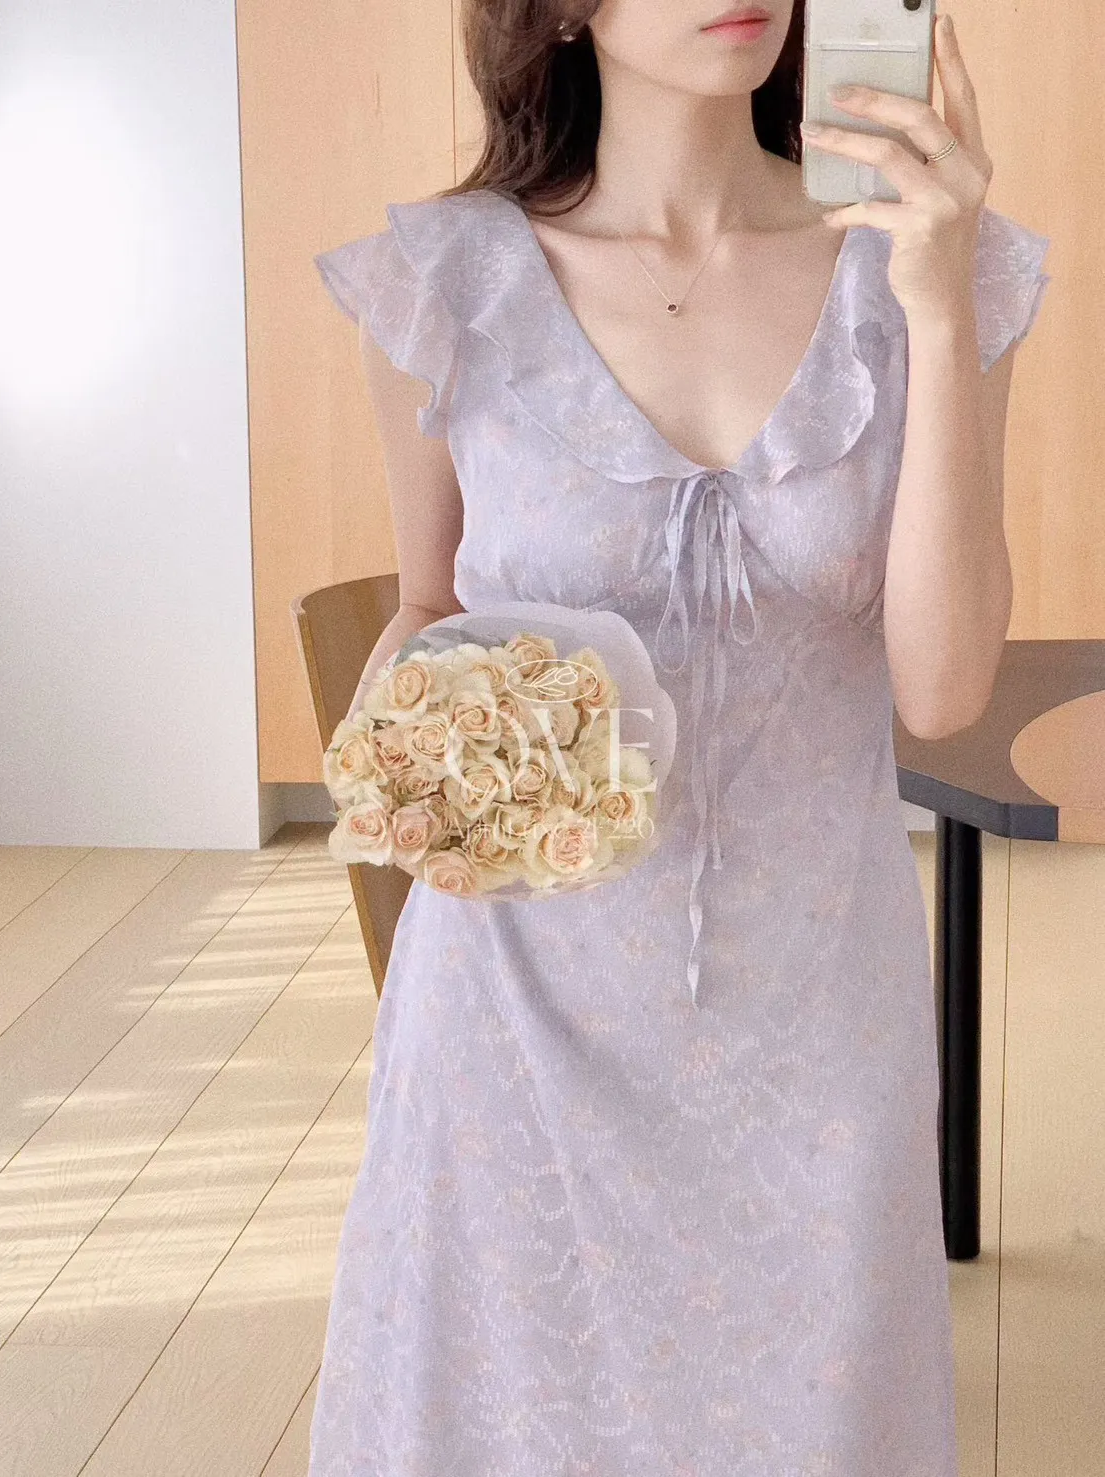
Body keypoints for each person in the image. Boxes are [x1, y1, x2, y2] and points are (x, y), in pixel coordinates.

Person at [309, 3, 1051, 1472]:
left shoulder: (929, 268)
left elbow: (945, 689)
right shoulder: (441, 281)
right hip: (519, 1018)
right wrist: (419, 735)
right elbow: (427, 607)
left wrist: (938, 301)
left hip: (814, 1013)